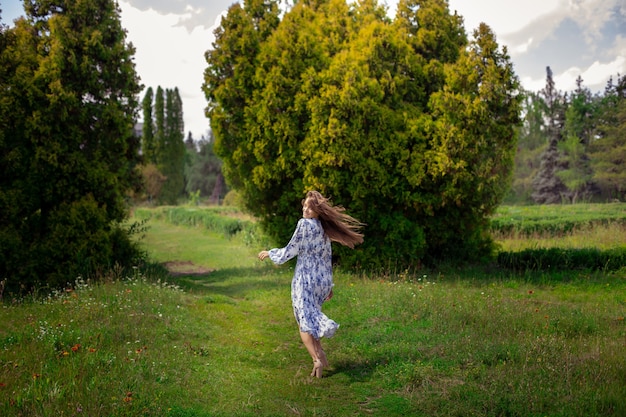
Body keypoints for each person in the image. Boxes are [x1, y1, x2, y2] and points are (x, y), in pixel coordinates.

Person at [258, 191, 363, 378]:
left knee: (303, 322)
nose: (305, 210)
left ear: (318, 211)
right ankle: (321, 353)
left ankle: (316, 360)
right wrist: (328, 285)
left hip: (304, 279)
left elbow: (291, 250)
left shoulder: (303, 224)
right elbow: (326, 257)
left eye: (310, 207)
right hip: (319, 281)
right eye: (304, 205)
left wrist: (270, 253)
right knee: (311, 318)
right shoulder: (324, 229)